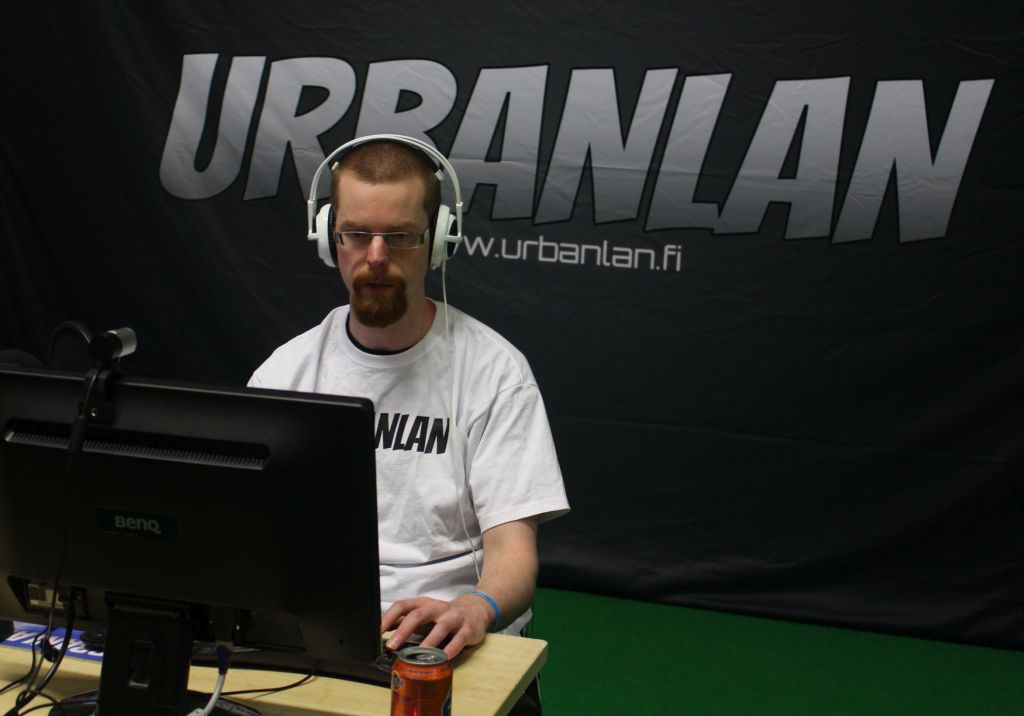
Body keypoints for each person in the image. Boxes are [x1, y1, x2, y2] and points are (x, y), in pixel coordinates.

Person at [248, 137, 569, 664]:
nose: (375, 257)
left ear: (439, 240)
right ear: (328, 238)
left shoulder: (495, 373)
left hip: (447, 635)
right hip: (318, 628)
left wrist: (477, 607)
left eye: (399, 237)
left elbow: (513, 552)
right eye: (356, 235)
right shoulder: (285, 373)